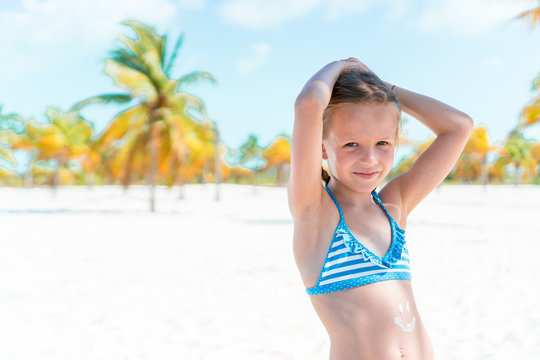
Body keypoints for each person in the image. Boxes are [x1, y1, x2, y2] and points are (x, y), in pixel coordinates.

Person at [287, 58, 473, 359]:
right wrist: (344, 65)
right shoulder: (315, 213)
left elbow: (459, 126)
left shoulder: (394, 206)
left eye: (383, 143)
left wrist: (385, 90)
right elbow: (309, 103)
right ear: (322, 147)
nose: (370, 159)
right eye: (351, 145)